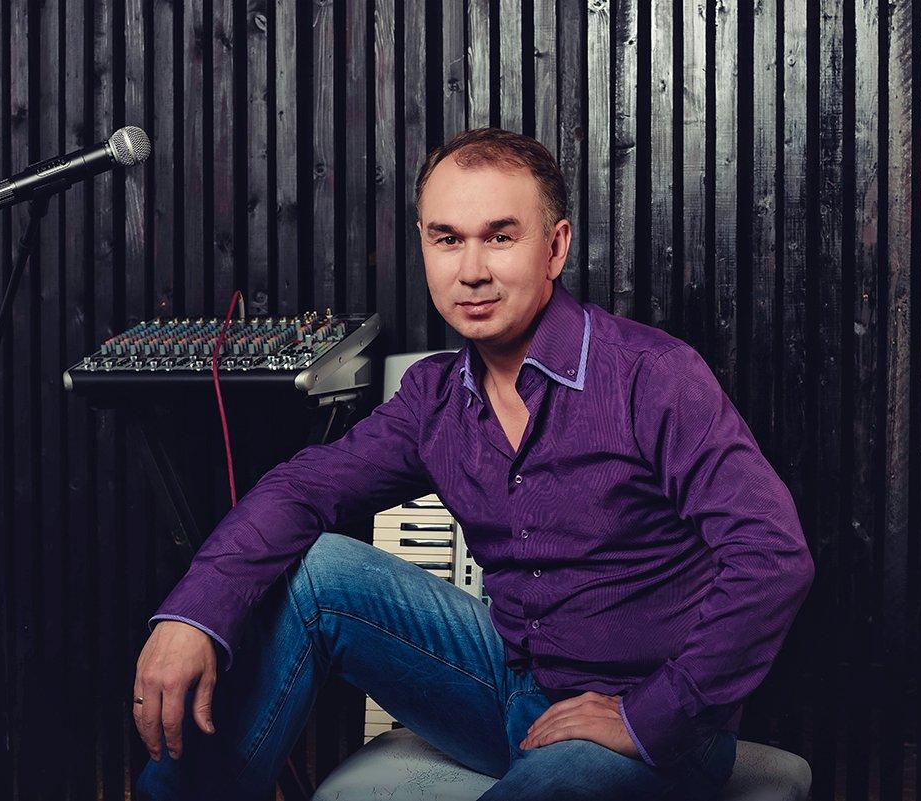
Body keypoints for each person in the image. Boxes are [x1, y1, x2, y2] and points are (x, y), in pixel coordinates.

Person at [133, 127, 814, 801]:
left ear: (555, 247)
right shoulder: (433, 398)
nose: (471, 270)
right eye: (447, 238)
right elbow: (301, 488)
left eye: (500, 237)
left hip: (651, 725)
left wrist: (654, 713)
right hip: (509, 693)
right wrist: (193, 616)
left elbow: (773, 555)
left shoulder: (652, 376)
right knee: (320, 574)